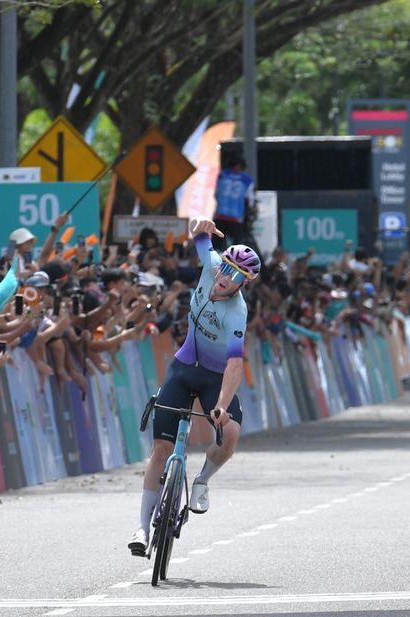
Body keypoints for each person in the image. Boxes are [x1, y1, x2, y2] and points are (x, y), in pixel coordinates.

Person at [128, 216, 261, 556]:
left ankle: (201, 481)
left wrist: (221, 406)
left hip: (215, 376)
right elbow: (197, 232)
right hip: (184, 365)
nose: (225, 278)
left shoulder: (237, 313)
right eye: (226, 269)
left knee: (229, 435)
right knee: (161, 449)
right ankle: (142, 529)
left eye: (236, 276)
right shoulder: (212, 263)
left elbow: (234, 364)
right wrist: (203, 223)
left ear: (245, 283)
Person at [214, 153, 255, 249]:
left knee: (216, 247)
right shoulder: (247, 180)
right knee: (237, 248)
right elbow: (250, 201)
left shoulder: (222, 175)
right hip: (236, 219)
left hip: (220, 216)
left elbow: (216, 195)